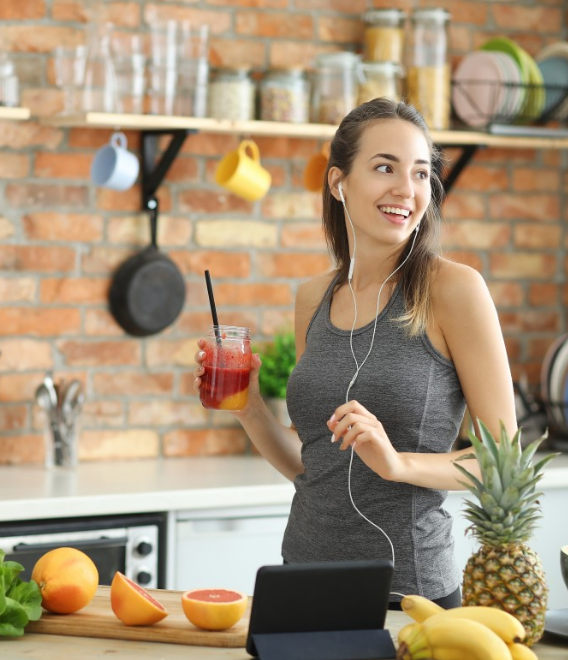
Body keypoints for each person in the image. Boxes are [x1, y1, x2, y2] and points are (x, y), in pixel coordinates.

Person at [192, 98, 517, 609]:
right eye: (384, 167)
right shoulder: (313, 298)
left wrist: (396, 464)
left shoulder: (453, 290)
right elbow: (314, 466)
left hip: (407, 596)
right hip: (300, 582)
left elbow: (503, 462)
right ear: (338, 181)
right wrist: (249, 407)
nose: (405, 189)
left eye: (420, 173)